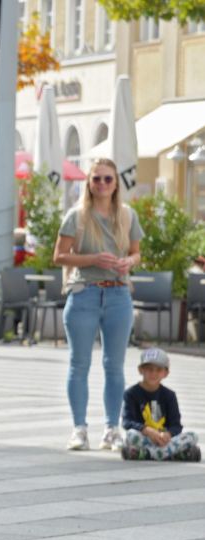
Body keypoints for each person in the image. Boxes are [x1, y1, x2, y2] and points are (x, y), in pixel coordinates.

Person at [53, 158, 143, 452]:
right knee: (79, 364)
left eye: (107, 179)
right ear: (88, 183)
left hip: (118, 294)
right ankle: (79, 428)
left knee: (114, 366)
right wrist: (92, 259)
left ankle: (111, 429)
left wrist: (129, 261)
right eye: (96, 179)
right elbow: (59, 256)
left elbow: (136, 253)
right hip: (84, 293)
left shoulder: (127, 215)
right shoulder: (77, 216)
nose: (102, 184)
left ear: (116, 183)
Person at [120, 348, 200, 461]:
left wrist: (168, 434)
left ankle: (146, 454)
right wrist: (147, 430)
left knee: (193, 436)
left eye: (158, 370)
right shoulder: (131, 393)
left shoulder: (169, 395)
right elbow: (127, 422)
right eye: (149, 369)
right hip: (145, 437)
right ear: (140, 370)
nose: (153, 373)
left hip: (164, 439)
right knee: (130, 436)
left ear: (166, 373)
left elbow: (176, 425)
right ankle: (175, 454)